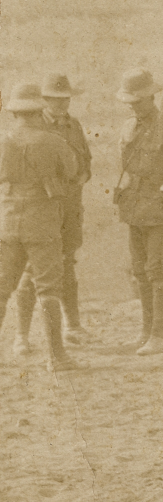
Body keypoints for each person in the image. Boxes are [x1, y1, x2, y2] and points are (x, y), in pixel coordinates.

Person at [0, 83, 78, 367]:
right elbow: (71, 171)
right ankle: (56, 356)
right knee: (48, 288)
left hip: (8, 220)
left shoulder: (3, 141)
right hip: (42, 221)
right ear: (38, 110)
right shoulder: (54, 141)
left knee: (2, 287)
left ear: (15, 113)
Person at [13, 74, 91, 354]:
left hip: (69, 208)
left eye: (65, 99)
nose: (61, 105)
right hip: (42, 210)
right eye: (54, 100)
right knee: (32, 270)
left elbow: (85, 163)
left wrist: (81, 177)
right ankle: (21, 335)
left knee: (67, 264)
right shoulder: (34, 127)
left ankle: (73, 326)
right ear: (42, 102)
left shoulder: (74, 125)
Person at [115, 69, 163, 355]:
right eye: (130, 102)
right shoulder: (129, 127)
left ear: (151, 97)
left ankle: (158, 335)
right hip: (134, 205)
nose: (132, 106)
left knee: (158, 270)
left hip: (159, 206)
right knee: (140, 271)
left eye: (137, 101)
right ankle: (145, 332)